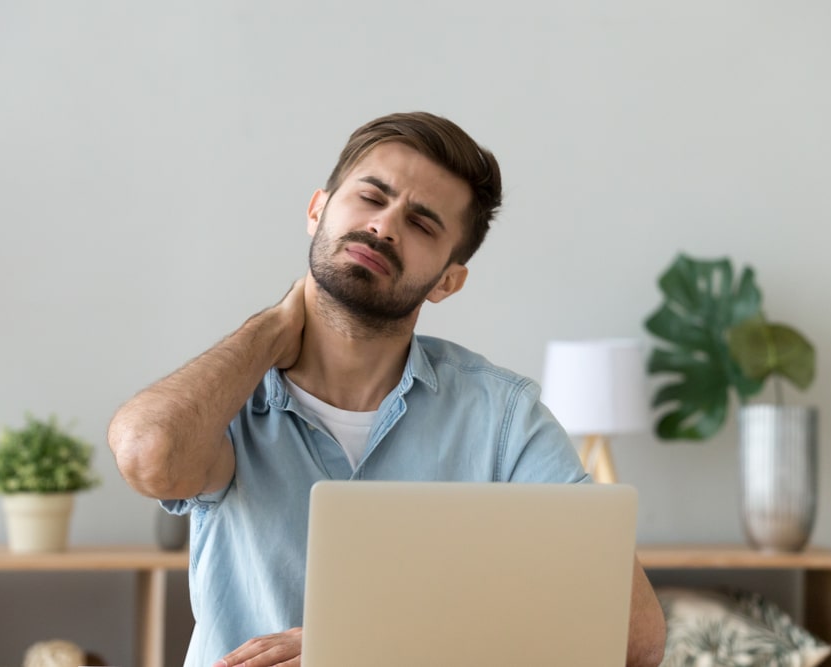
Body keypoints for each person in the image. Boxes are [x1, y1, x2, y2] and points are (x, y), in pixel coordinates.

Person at [108, 111, 666, 667]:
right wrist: (274, 326)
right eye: (371, 197)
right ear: (317, 209)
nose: (384, 226)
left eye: (422, 224)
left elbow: (635, 638)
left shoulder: (502, 417)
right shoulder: (227, 397)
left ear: (448, 280)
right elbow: (147, 453)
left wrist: (373, 650)